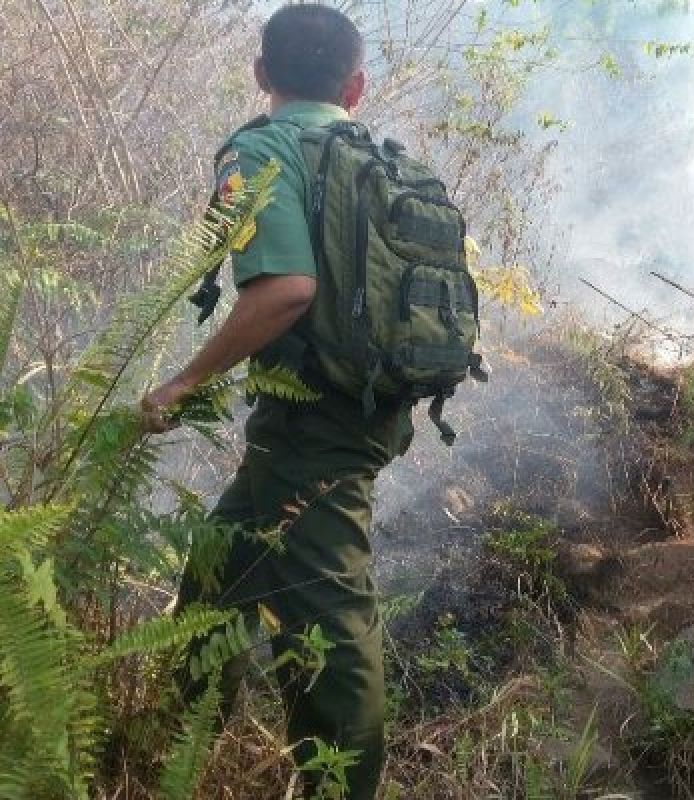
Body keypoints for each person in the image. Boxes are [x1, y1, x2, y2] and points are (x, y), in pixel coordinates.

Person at [140, 6, 411, 798]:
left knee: (329, 613)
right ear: (356, 87)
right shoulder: (381, 156)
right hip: (365, 405)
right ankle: (179, 748)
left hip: (315, 420)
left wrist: (185, 380)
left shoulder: (261, 150)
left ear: (261, 74)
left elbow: (287, 290)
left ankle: (342, 788)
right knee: (222, 560)